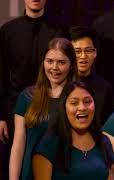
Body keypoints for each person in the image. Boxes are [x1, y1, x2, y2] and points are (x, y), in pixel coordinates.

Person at [9, 38, 78, 180]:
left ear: (71, 65)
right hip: (31, 174)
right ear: (43, 62)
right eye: (50, 61)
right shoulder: (27, 97)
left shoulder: (79, 97)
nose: (54, 67)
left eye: (61, 62)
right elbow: (18, 144)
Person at [0, 0, 62, 142]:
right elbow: (2, 75)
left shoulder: (59, 30)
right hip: (15, 108)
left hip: (51, 105)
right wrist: (1, 117)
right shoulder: (8, 30)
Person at [33, 81, 114, 180]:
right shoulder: (48, 144)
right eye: (74, 103)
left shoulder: (104, 142)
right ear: (64, 107)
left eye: (87, 101)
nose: (82, 107)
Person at [69, 26, 114, 123]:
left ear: (95, 53)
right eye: (77, 51)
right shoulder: (62, 84)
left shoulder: (105, 88)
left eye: (88, 50)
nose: (83, 56)